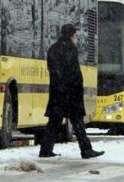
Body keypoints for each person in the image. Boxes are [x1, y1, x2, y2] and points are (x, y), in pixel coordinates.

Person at [39, 24, 105, 159]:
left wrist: (59, 85)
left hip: (57, 92)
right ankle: (86, 150)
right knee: (78, 123)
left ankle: (45, 150)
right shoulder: (70, 49)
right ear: (71, 35)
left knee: (54, 122)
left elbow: (53, 70)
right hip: (71, 93)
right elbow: (73, 72)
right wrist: (77, 87)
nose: (76, 38)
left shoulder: (53, 49)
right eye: (75, 35)